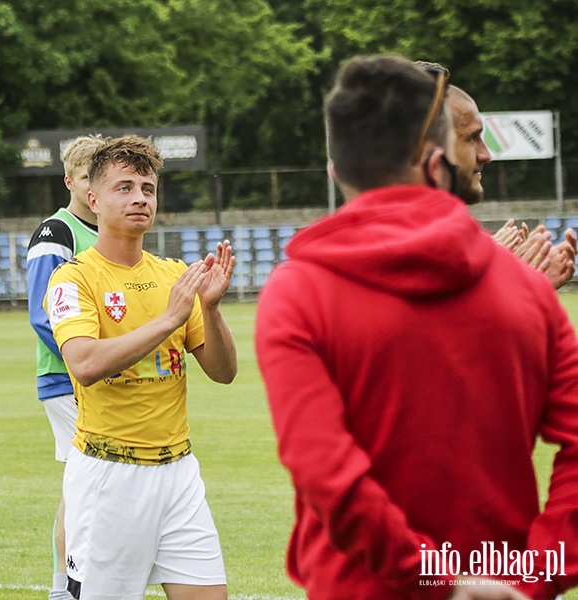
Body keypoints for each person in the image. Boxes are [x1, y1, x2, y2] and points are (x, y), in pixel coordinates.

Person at [255, 55, 578, 600]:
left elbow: (326, 474)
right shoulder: (526, 290)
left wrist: (435, 579)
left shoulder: (298, 293)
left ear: (337, 171)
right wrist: (533, 580)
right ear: (435, 165)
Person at [45, 135, 237, 600]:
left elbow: (224, 371)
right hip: (110, 475)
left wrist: (209, 309)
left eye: (147, 189)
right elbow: (85, 364)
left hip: (179, 472)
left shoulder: (174, 275)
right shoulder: (73, 277)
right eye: (124, 187)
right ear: (93, 199)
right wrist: (170, 319)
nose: (139, 199)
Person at [26, 134, 108, 600]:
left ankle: (66, 585)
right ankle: (69, 584)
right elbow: (44, 313)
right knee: (91, 480)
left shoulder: (104, 235)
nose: (93, 190)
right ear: (69, 182)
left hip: (93, 373)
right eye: (85, 179)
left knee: (84, 481)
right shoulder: (56, 233)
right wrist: (85, 360)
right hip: (68, 377)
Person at [424, 62, 577, 287]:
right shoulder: (403, 249)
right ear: (430, 147)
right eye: (472, 138)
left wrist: (520, 285)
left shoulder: (450, 241)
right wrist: (499, 279)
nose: (486, 155)